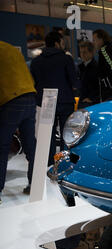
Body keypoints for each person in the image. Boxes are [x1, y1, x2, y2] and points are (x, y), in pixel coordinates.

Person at [30, 31, 77, 166]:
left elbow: (35, 82)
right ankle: (64, 162)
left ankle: (49, 163)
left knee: (47, 135)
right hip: (65, 101)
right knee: (66, 134)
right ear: (57, 43)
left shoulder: (36, 61)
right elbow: (74, 82)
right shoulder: (66, 59)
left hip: (46, 102)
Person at [0, 41, 37, 203]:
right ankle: (34, 186)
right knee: (30, 145)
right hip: (29, 96)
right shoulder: (9, 48)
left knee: (1, 147)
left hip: (10, 100)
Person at [77, 41, 99, 107]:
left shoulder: (97, 68)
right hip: (81, 101)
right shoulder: (79, 67)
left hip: (92, 103)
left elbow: (99, 87)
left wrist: (92, 98)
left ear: (91, 53)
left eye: (84, 52)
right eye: (80, 52)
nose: (82, 55)